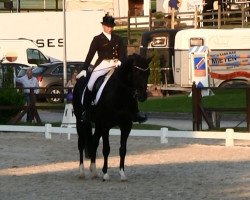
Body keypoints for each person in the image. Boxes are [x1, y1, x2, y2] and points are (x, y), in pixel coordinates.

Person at [77, 13, 147, 123]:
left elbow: (123, 52)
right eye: (108, 26)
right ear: (103, 26)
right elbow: (90, 54)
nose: (109, 28)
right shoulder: (97, 39)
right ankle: (86, 110)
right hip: (102, 65)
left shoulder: (118, 38)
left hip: (116, 65)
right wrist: (84, 69)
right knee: (90, 84)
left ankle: (135, 111)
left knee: (129, 84)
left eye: (111, 26)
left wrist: (120, 60)